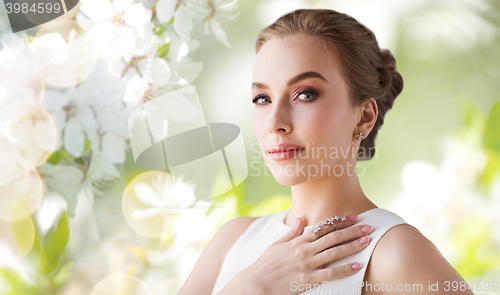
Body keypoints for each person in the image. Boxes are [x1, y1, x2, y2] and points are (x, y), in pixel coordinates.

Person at [177, 9, 474, 295]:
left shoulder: (392, 252)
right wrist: (250, 288)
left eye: (305, 94)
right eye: (262, 98)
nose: (275, 122)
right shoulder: (233, 240)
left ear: (364, 117)